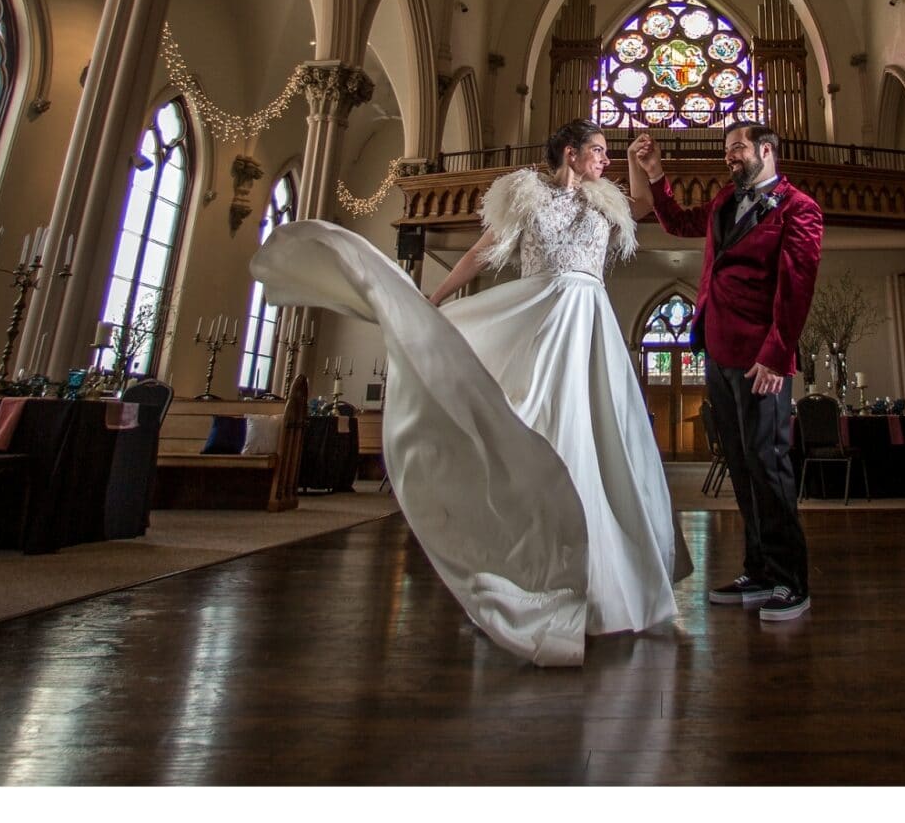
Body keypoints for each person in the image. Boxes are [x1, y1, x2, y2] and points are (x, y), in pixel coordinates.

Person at [250, 120, 684, 667]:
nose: (604, 159)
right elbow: (482, 253)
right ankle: (534, 572)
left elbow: (640, 205)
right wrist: (433, 301)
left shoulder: (605, 202)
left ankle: (605, 581)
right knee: (538, 429)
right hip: (541, 321)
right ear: (570, 154)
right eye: (598, 151)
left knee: (599, 441)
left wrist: (640, 166)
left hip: (590, 326)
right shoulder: (526, 196)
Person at [627, 122, 824, 622]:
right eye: (727, 151)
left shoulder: (799, 208)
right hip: (716, 349)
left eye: (738, 148)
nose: (730, 157)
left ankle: (790, 581)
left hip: (762, 358)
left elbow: (796, 286)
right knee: (740, 465)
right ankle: (758, 572)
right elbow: (676, 222)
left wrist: (777, 355)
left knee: (769, 464)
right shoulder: (722, 202)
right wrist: (655, 173)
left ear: (766, 150)